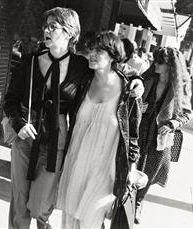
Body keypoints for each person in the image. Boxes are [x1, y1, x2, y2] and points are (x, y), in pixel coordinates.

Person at [4, 7, 144, 228]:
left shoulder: (81, 67)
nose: (46, 31)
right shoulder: (29, 62)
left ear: (69, 32)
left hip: (56, 135)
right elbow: (10, 99)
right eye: (45, 26)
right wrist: (18, 122)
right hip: (27, 131)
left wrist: (137, 77)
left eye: (53, 26)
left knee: (42, 204)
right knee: (19, 200)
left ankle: (43, 223)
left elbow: (110, 68)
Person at [56, 31, 142, 228]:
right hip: (77, 161)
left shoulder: (128, 90)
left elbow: (133, 136)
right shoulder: (83, 80)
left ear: (113, 55)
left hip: (106, 167)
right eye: (91, 50)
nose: (92, 55)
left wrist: (131, 169)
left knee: (90, 221)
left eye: (99, 51)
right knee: (70, 221)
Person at [135, 47, 192, 224]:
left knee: (151, 170)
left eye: (161, 61)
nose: (156, 64)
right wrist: (138, 105)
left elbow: (187, 114)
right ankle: (126, 198)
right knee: (132, 163)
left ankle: (138, 202)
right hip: (140, 129)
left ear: (171, 65)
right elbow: (130, 98)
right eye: (156, 60)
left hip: (160, 135)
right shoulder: (148, 79)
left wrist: (173, 124)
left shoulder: (179, 87)